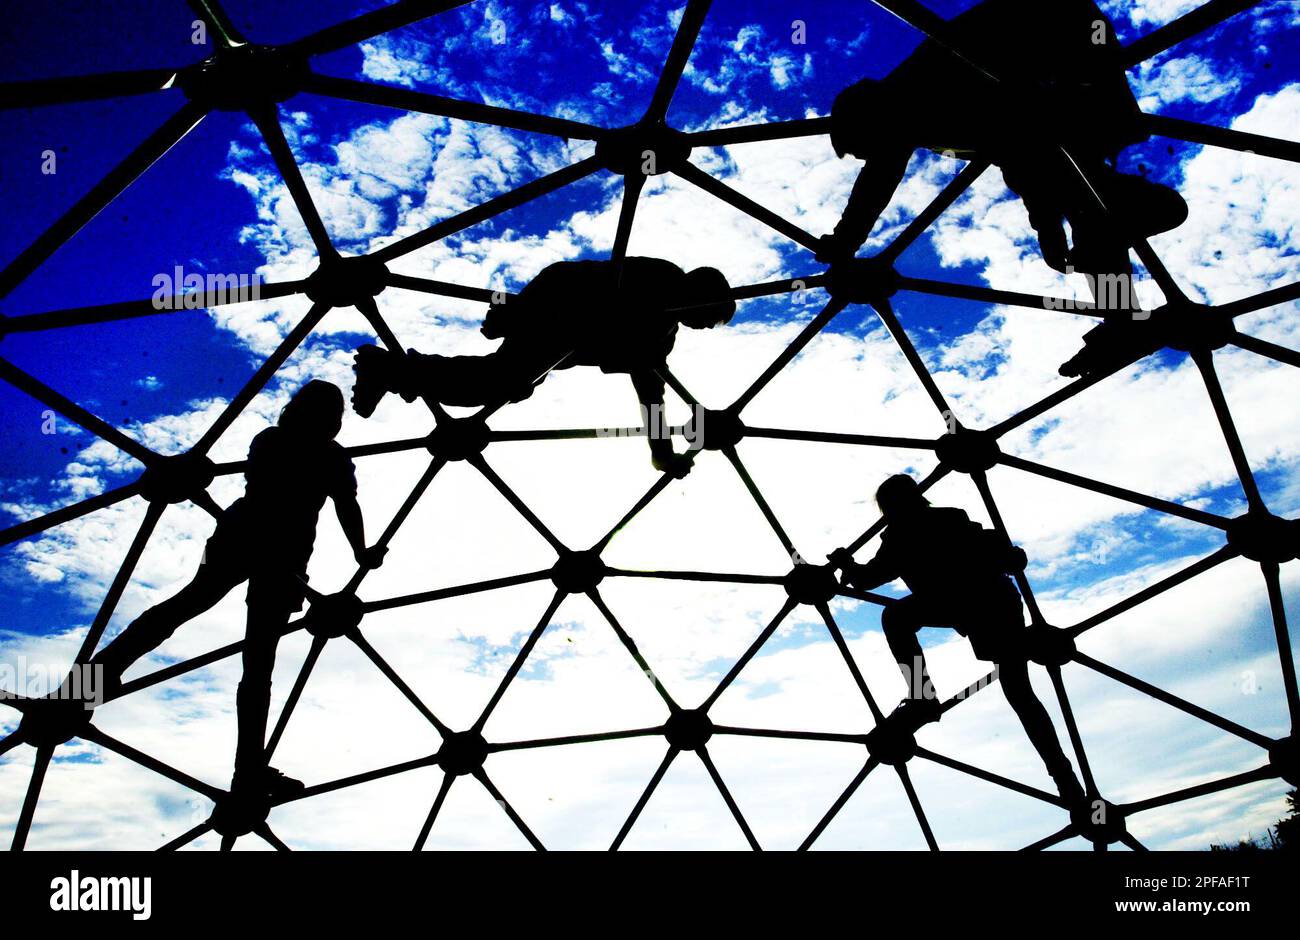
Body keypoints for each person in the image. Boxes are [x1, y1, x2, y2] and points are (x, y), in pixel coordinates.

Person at [819, 0, 1188, 375]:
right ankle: (1126, 297)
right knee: (1095, 215)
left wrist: (845, 239)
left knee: (1091, 214)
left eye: (865, 148)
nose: (874, 157)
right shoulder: (918, 99)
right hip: (1070, 63)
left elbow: (1017, 146)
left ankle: (1125, 307)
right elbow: (1020, 146)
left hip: (1063, 55)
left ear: (867, 120)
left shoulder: (913, 100)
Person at [90, 381, 386, 800]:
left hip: (240, 535)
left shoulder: (270, 439)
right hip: (284, 557)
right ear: (334, 418)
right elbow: (345, 506)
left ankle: (91, 681)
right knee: (257, 663)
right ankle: (248, 772)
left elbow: (290, 490)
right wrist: (362, 552)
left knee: (186, 606)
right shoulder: (332, 458)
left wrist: (359, 549)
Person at [350, 257, 735, 477]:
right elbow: (591, 284)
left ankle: (394, 370)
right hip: (559, 312)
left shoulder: (661, 332)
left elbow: (651, 392)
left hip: (559, 329)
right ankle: (389, 368)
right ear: (701, 296)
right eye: (710, 317)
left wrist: (661, 451)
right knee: (503, 381)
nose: (705, 326)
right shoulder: (660, 282)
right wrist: (521, 313)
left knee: (500, 383)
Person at [831, 474, 1086, 806]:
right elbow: (997, 548)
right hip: (988, 601)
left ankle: (923, 697)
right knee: (1019, 691)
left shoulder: (903, 535)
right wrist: (1009, 555)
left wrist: (845, 565)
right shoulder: (945, 519)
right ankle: (1063, 775)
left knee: (898, 619)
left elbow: (867, 579)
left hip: (966, 604)